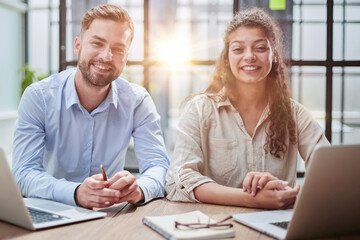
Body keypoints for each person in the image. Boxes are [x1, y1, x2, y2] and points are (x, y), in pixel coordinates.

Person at [165, 8, 330, 209]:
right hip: (216, 225)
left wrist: (290, 193)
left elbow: (331, 173)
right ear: (227, 58)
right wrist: (250, 199)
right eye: (238, 49)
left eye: (260, 48)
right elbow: (178, 181)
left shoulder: (295, 114)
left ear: (274, 54)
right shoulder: (199, 110)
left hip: (275, 227)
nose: (249, 56)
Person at [12, 4, 169, 209]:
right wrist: (76, 193)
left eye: (118, 49)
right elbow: (23, 172)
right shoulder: (39, 97)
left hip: (109, 214)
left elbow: (159, 166)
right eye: (97, 43)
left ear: (126, 57)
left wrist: (139, 189)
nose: (106, 56)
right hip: (51, 209)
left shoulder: (137, 101)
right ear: (77, 45)